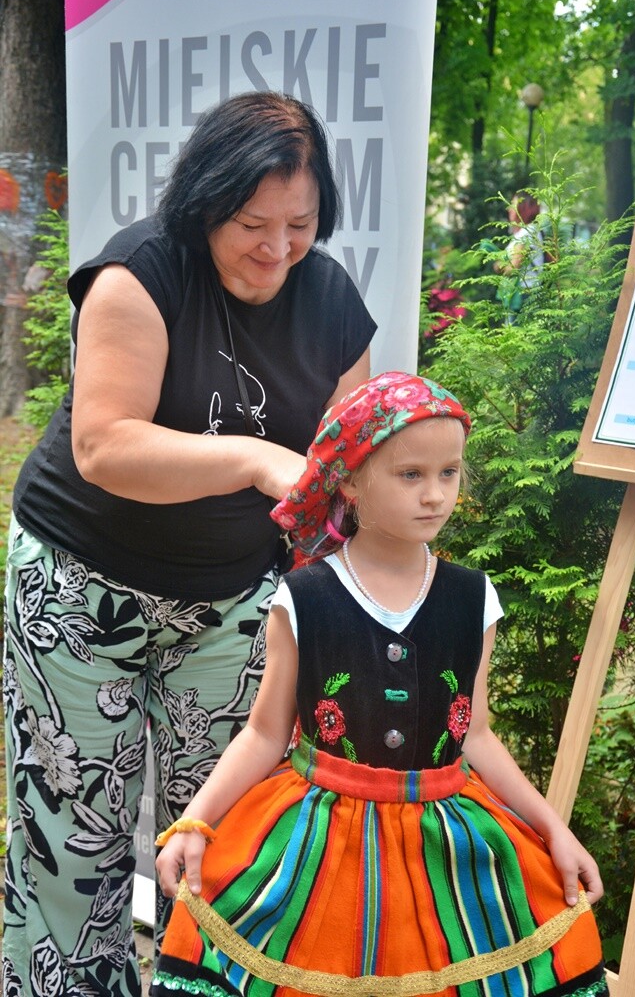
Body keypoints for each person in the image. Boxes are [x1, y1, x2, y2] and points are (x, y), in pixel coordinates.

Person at [2, 91, 376, 996]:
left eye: (300, 225)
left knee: (220, 832)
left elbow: (344, 467)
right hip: (79, 586)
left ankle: (194, 983)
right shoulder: (139, 274)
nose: (278, 248)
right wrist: (251, 457)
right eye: (253, 225)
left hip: (233, 599)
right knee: (72, 835)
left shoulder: (330, 300)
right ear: (206, 203)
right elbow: (104, 447)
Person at [151, 370, 609, 997]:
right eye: (410, 474)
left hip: (444, 842)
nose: (435, 495)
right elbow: (263, 734)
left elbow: (475, 734)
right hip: (317, 841)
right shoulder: (303, 596)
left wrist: (553, 830)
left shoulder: (473, 598)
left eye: (449, 473)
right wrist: (195, 822)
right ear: (350, 481)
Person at [492, 190, 546, 315]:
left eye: (513, 204)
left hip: (523, 295)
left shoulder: (527, 233)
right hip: (526, 292)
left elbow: (513, 268)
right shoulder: (528, 231)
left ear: (525, 207)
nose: (509, 209)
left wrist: (498, 265)